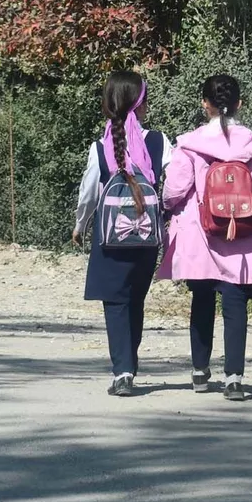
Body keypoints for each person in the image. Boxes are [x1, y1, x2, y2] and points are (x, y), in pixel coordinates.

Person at [161, 73, 252, 401]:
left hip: (200, 233)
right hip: (242, 232)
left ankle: (200, 371)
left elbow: (174, 190)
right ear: (239, 103)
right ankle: (234, 379)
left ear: (205, 104)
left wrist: (170, 210)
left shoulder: (190, 144)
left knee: (201, 299)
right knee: (235, 303)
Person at [72, 71, 170, 397]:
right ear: (139, 103)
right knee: (135, 300)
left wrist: (80, 225)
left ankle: (123, 372)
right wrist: (168, 217)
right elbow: (173, 185)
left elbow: (89, 194)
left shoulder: (100, 147)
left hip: (110, 237)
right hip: (146, 236)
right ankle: (130, 362)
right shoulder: (159, 142)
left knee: (115, 303)